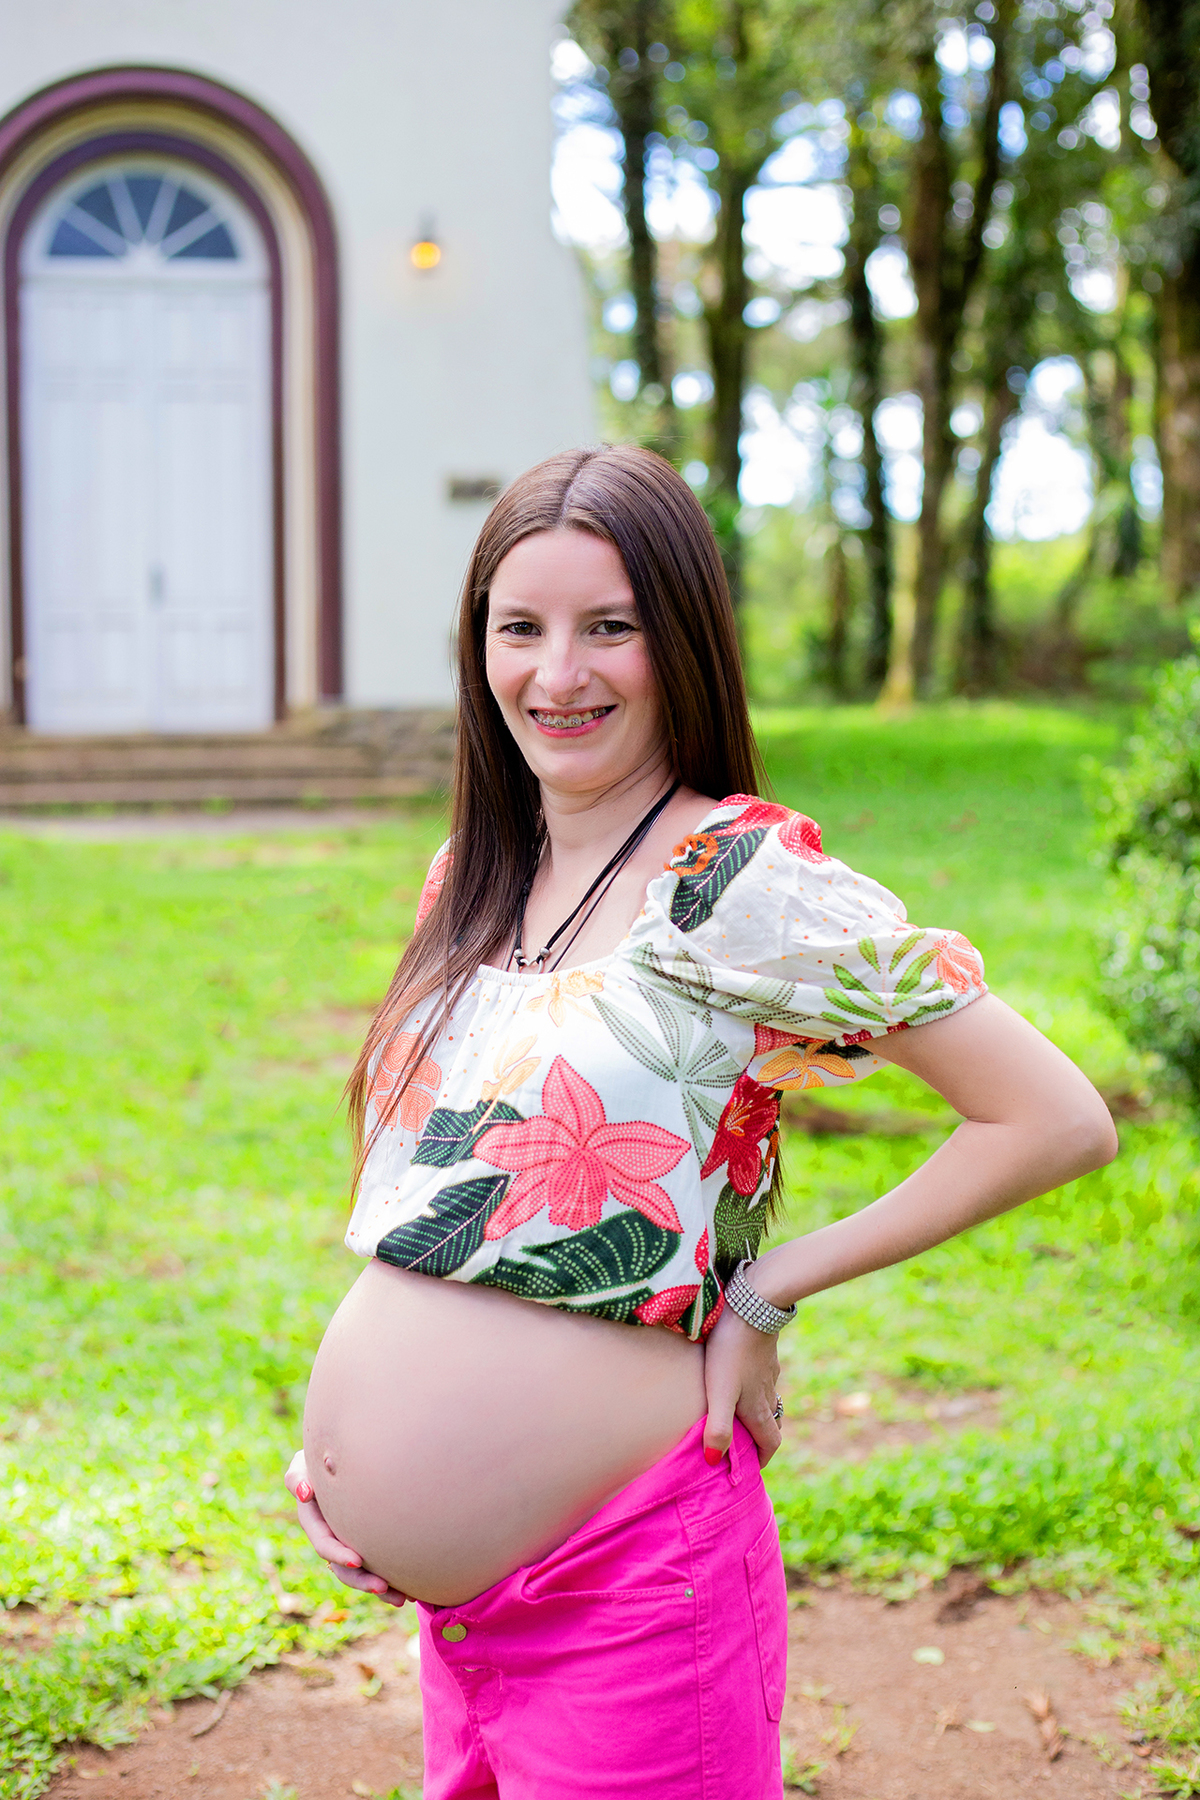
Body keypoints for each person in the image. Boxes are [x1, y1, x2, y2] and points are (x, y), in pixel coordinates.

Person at [285, 444, 1117, 1800]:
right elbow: (450, 1211)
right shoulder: (474, 878)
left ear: (680, 640)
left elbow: (1053, 1117)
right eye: (522, 628)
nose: (559, 675)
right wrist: (352, 1460)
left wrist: (771, 1286)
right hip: (460, 1623)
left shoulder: (735, 881)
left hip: (631, 1591)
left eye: (609, 627)